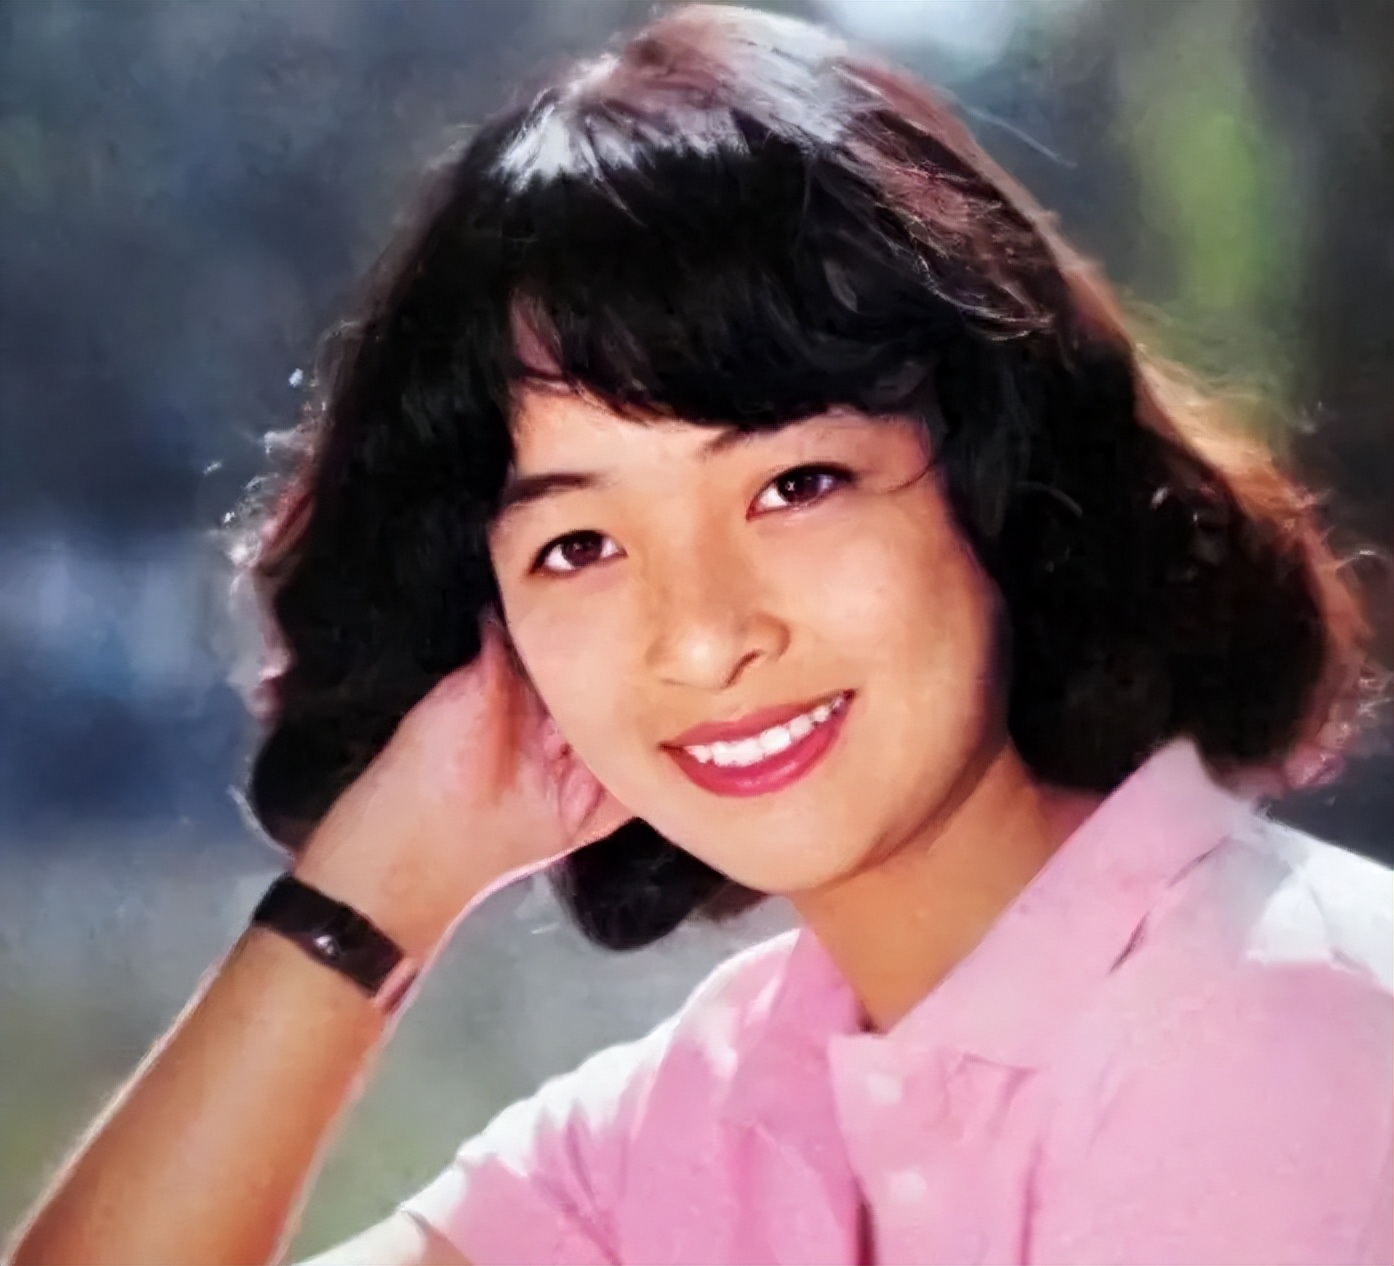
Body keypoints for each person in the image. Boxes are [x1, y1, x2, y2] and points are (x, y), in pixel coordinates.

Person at [9, 5, 1392, 1264]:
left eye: (795, 485)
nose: (702, 638)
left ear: (995, 473)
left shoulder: (1276, 1022)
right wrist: (370, 895)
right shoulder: (714, 1108)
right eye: (580, 546)